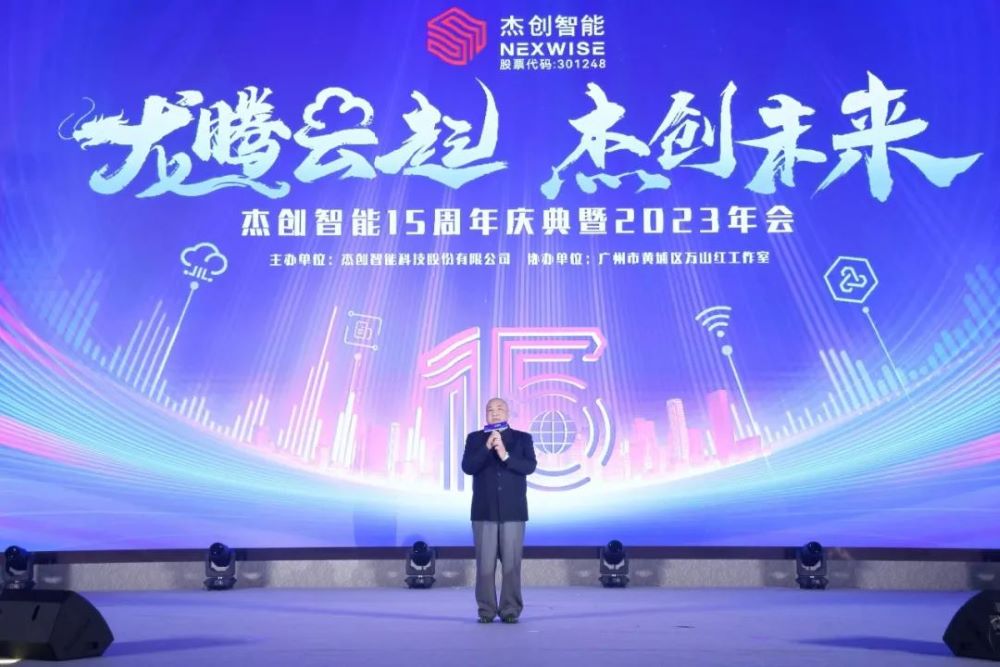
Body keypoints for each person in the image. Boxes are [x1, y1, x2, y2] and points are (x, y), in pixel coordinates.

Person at [461, 397, 537, 624]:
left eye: (499, 408)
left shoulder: (522, 438)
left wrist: (505, 455)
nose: (495, 412)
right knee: (485, 566)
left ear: (508, 413)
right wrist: (486, 447)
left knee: (512, 566)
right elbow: (468, 467)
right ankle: (486, 610)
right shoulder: (475, 439)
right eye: (490, 409)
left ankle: (510, 610)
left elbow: (530, 466)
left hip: (513, 511)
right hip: (484, 511)